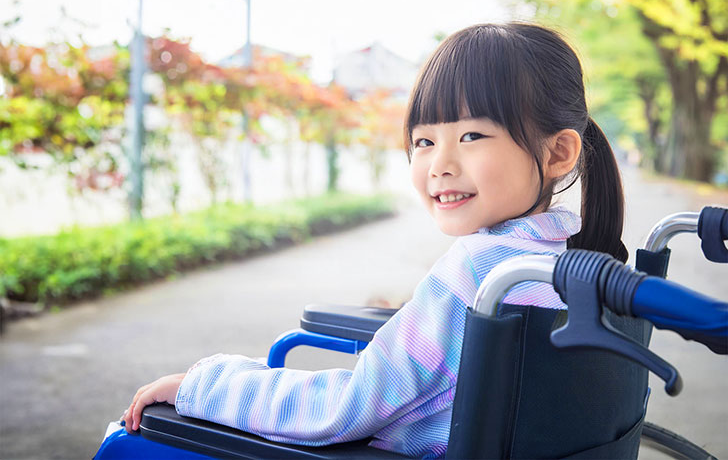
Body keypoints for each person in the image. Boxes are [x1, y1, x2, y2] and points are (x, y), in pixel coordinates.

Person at [122, 23, 627, 458]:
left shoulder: (481, 271)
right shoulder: (572, 264)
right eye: (424, 141)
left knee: (127, 446)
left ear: (559, 153)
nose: (440, 164)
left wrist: (204, 385)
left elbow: (346, 410)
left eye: (472, 136)